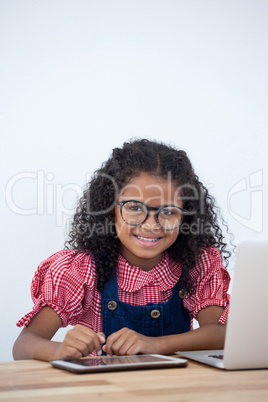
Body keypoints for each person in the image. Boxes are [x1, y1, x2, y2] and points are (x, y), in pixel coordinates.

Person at [13, 139, 231, 361]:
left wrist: (156, 344)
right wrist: (59, 351)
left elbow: (221, 334)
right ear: (109, 210)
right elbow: (24, 345)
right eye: (135, 207)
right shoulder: (79, 270)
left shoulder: (197, 263)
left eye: (168, 211)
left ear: (186, 216)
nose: (151, 225)